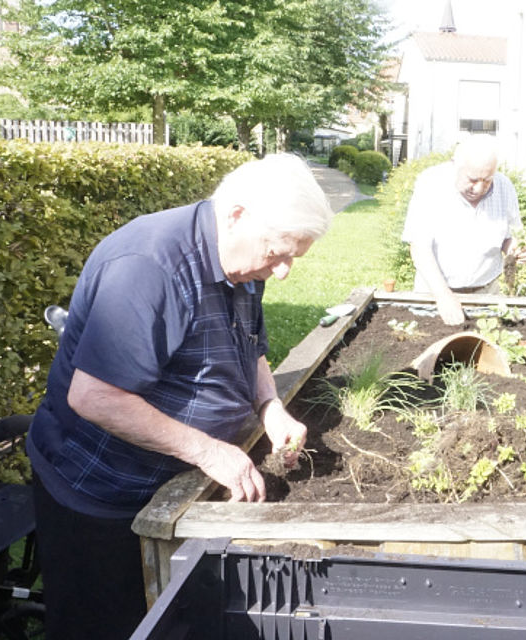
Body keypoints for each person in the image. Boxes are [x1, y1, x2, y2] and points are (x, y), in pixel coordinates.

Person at [26, 153, 333, 639]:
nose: (284, 272)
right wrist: (210, 451)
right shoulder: (149, 267)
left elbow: (250, 349)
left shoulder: (241, 261)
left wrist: (270, 408)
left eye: (294, 256)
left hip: (175, 484)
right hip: (103, 495)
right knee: (109, 626)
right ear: (236, 215)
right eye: (278, 253)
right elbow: (95, 397)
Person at [402, 134, 525, 325]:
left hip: (486, 295)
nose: (479, 188)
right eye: (473, 179)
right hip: (435, 294)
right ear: (455, 165)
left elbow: (509, 237)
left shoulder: (505, 187)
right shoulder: (430, 183)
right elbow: (419, 247)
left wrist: (513, 250)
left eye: (487, 180)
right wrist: (443, 295)